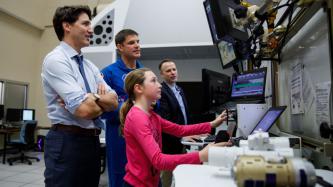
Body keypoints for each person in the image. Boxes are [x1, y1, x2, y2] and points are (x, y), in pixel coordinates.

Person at [41, 6, 118, 187]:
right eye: (85, 24)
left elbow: (114, 101)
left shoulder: (89, 66)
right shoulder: (56, 60)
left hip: (91, 142)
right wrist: (95, 101)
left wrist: (91, 97)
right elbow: (85, 110)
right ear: (67, 26)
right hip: (66, 142)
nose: (91, 29)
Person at [119, 68, 231, 187]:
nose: (159, 85)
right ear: (139, 88)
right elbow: (159, 161)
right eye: (153, 81)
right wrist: (201, 155)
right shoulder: (138, 118)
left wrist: (211, 124)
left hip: (153, 181)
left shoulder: (152, 115)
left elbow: (179, 130)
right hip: (138, 184)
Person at [101, 29, 143, 187]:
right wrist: (132, 109)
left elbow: (156, 102)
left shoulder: (143, 72)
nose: (137, 45)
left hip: (143, 133)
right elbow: (102, 107)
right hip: (119, 134)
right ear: (120, 47)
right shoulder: (108, 73)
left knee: (142, 175)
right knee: (120, 175)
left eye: (138, 42)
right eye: (132, 42)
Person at [157, 59, 201, 186]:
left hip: (182, 139)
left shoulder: (179, 90)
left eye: (174, 69)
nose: (172, 72)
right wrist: (182, 135)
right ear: (162, 74)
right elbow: (165, 120)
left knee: (181, 174)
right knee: (167, 176)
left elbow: (184, 116)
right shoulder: (162, 92)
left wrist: (192, 131)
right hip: (169, 142)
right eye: (168, 70)